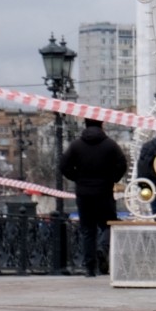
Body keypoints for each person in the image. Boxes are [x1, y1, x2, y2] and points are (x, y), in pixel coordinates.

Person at [57, 118, 128, 277]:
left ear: (85, 125)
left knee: (87, 230)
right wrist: (112, 178)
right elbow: (122, 164)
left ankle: (90, 268)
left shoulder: (76, 145)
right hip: (104, 192)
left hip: (84, 193)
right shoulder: (110, 145)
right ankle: (102, 247)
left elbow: (63, 165)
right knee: (109, 224)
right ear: (101, 124)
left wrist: (77, 177)